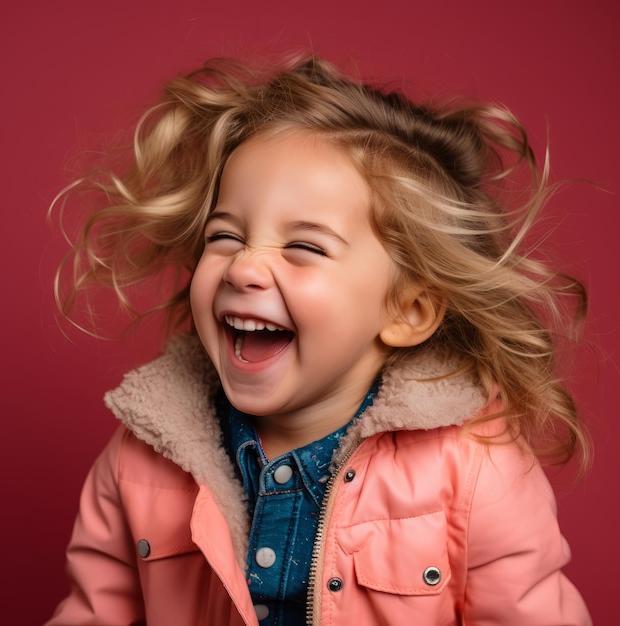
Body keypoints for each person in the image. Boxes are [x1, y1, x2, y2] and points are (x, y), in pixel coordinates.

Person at [46, 55, 592, 625]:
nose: (245, 268)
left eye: (304, 247)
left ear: (408, 311)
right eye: (225, 235)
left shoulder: (477, 470)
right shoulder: (142, 459)